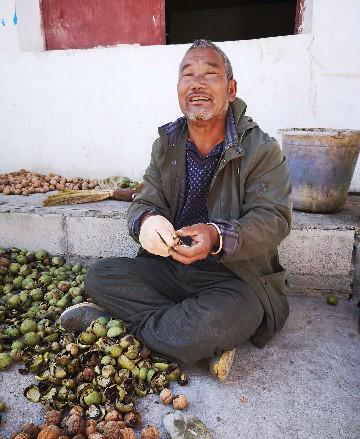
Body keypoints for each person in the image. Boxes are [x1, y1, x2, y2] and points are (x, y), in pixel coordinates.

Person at [61, 39, 292, 380]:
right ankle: (189, 341)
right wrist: (145, 222)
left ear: (230, 89)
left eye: (210, 74)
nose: (197, 83)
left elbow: (274, 219)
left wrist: (216, 235)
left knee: (223, 319)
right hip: (170, 268)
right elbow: (146, 200)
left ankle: (126, 330)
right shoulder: (167, 143)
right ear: (179, 89)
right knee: (100, 277)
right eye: (188, 75)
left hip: (235, 277)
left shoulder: (261, 149)